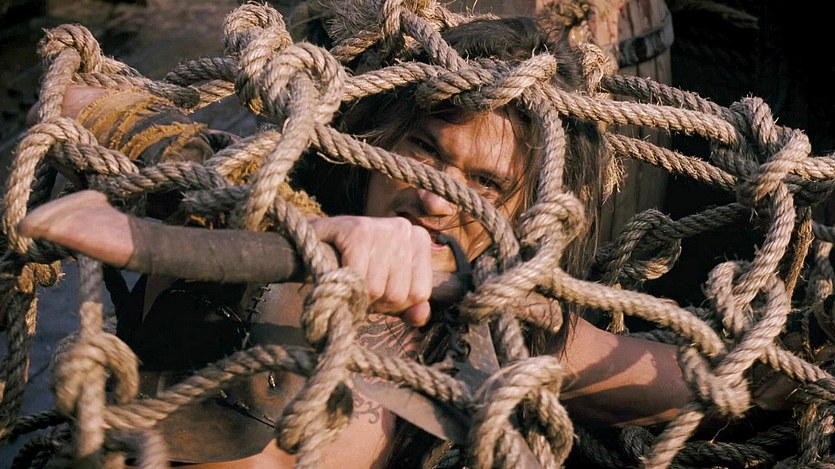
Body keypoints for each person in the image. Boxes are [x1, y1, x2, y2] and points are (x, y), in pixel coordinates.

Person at [19, 13, 792, 469]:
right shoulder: (240, 217)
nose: (434, 194)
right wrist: (310, 233)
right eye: (423, 150)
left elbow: (718, 384)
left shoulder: (515, 327)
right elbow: (80, 97)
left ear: (531, 210)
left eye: (484, 183)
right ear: (378, 144)